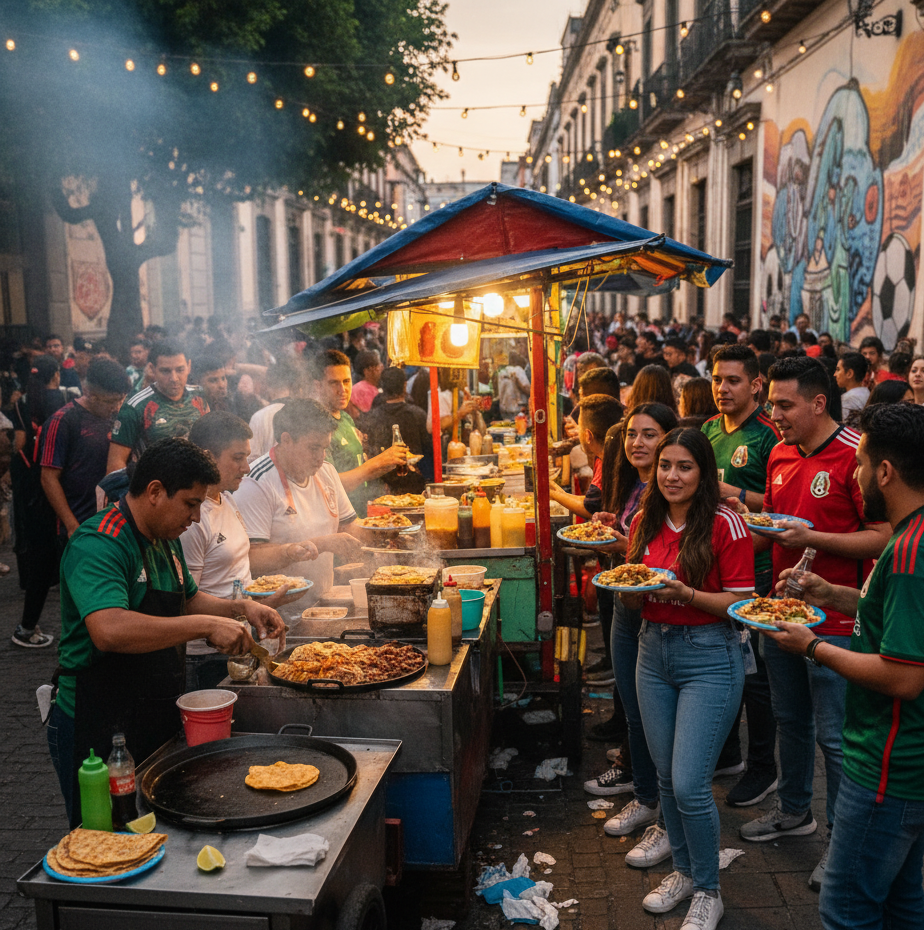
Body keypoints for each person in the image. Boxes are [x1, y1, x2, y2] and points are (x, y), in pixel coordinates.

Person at [47, 438, 284, 827]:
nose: (195, 518)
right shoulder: (99, 542)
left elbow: (187, 600)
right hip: (95, 722)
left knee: (154, 826)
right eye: (191, 504)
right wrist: (207, 626)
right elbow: (109, 629)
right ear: (155, 491)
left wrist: (240, 608)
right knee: (104, 835)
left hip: (150, 714)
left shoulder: (164, 541)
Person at [763, 402, 924, 930]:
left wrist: (812, 647)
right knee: (902, 906)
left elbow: (904, 675)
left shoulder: (907, 555)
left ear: (884, 471)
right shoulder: (911, 539)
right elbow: (893, 623)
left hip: (885, 765)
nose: (853, 475)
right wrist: (832, 592)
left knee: (847, 910)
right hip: (903, 767)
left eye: (859, 464)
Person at [738, 356, 891, 893]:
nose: (774, 414)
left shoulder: (855, 456)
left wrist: (813, 540)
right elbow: (774, 532)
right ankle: (794, 810)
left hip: (839, 620)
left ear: (819, 403)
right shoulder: (779, 452)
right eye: (773, 403)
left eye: (784, 404)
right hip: (783, 611)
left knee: (835, 736)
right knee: (790, 719)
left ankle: (841, 845)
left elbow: (884, 536)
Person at [625, 429, 754, 930]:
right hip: (651, 652)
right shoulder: (645, 518)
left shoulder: (725, 524)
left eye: (684, 467)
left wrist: (686, 594)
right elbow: (634, 586)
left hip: (710, 658)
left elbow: (742, 604)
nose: (671, 476)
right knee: (664, 777)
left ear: (704, 473)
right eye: (665, 466)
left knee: (689, 783)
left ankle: (708, 890)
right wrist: (629, 593)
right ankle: (681, 871)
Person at [584, 403, 678, 872]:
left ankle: (664, 810)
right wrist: (610, 526)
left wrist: (619, 545)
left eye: (650, 435)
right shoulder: (634, 485)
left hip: (653, 611)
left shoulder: (668, 491)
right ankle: (645, 797)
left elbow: (660, 556)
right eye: (633, 435)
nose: (638, 443)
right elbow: (630, 537)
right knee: (634, 712)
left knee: (653, 716)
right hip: (625, 605)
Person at [182, 412, 316, 689]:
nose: (246, 467)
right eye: (237, 458)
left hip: (242, 643)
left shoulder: (227, 499)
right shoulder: (192, 519)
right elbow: (185, 603)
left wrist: (261, 604)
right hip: (208, 658)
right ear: (207, 457)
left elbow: (238, 568)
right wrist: (245, 610)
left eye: (247, 457)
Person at [702, 344, 781, 807]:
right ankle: (727, 753)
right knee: (723, 665)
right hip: (715, 572)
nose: (722, 388)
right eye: (716, 379)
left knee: (756, 677)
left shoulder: (770, 436)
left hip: (759, 573)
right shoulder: (709, 430)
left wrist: (735, 492)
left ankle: (763, 769)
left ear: (755, 384)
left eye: (732, 380)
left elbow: (778, 511)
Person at [233, 400, 364, 604]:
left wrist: (386, 538)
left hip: (322, 604)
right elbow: (251, 558)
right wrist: (319, 545)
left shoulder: (327, 472)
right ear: (286, 440)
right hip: (277, 611)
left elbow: (349, 527)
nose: (321, 458)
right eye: (313, 448)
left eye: (325, 448)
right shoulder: (256, 482)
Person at [10, 356, 69, 648]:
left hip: (33, 487)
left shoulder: (22, 401)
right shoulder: (64, 402)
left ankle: (27, 626)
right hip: (59, 488)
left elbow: (19, 444)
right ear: (56, 375)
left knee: (40, 556)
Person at [39, 359, 130, 540]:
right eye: (111, 401)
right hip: (81, 525)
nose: (117, 407)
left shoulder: (120, 417)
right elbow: (49, 477)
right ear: (89, 393)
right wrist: (72, 525)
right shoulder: (63, 421)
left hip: (116, 524)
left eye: (121, 399)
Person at [310, 349, 406, 515]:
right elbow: (330, 484)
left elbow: (360, 467)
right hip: (339, 520)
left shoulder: (346, 418)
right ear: (317, 386)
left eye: (347, 381)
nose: (343, 389)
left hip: (362, 513)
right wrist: (377, 463)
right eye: (334, 383)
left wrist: (388, 462)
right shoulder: (315, 427)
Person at [107, 340, 209, 472]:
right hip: (156, 487)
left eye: (180, 370)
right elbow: (116, 463)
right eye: (165, 371)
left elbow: (210, 443)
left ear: (189, 366)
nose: (174, 378)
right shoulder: (135, 407)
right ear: (152, 369)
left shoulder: (199, 396)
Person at [362, 367, 430, 485]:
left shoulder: (371, 417)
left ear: (382, 388)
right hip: (413, 483)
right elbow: (428, 450)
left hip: (382, 484)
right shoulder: (418, 415)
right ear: (404, 386)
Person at [495, 351, 531, 419]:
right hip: (517, 408)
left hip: (504, 409)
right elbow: (526, 387)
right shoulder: (518, 370)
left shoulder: (502, 373)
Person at [833, 352, 870, 418]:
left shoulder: (848, 399)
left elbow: (849, 427)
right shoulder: (867, 391)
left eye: (838, 369)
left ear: (849, 373)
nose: (835, 374)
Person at [349, 349, 384, 415]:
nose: (382, 366)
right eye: (378, 365)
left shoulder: (357, 387)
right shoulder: (363, 391)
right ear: (367, 371)